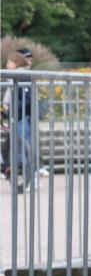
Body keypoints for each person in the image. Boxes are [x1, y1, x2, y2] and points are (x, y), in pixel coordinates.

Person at [2, 52, 33, 193]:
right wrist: (4, 110)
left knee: (23, 149)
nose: (7, 65)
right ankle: (16, 178)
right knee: (11, 148)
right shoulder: (13, 78)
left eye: (9, 62)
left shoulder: (23, 76)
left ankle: (27, 179)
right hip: (15, 117)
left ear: (17, 63)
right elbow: (9, 98)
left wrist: (12, 107)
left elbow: (28, 98)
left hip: (22, 118)